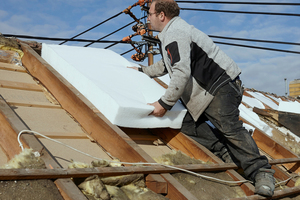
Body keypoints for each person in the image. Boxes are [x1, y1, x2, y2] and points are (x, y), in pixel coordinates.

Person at [129, 0, 275, 197]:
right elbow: (167, 65)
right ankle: (227, 153)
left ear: (161, 15)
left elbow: (180, 72)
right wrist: (142, 71)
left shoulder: (175, 32)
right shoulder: (171, 34)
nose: (148, 18)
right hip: (206, 92)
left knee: (229, 126)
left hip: (220, 87)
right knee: (184, 123)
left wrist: (164, 104)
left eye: (150, 14)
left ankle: (262, 172)